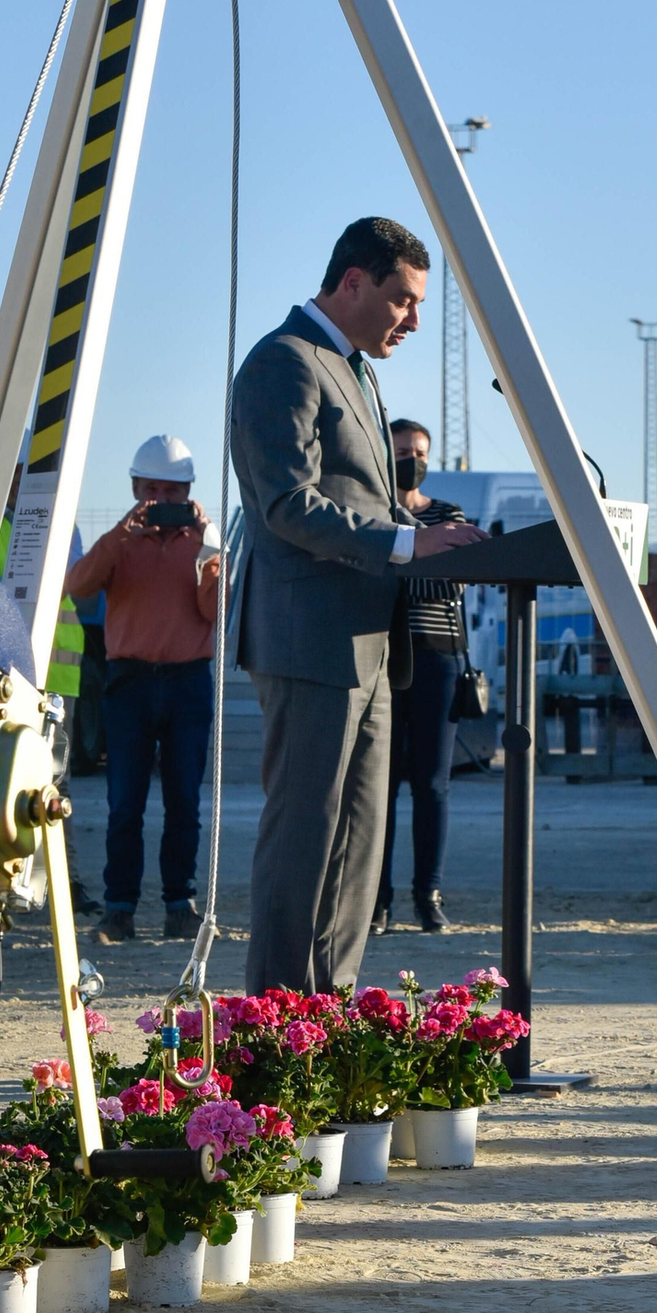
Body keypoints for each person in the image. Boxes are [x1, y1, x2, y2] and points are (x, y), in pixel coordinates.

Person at [230, 216, 486, 994]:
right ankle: (276, 1019)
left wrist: (429, 533)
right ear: (352, 282)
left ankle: (328, 1007)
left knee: (360, 839)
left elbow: (360, 502)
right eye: (402, 301)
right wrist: (408, 547)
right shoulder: (285, 363)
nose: (411, 321)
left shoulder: (355, 370)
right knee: (306, 835)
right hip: (310, 639)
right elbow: (288, 506)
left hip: (370, 642)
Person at [66, 435, 222, 943]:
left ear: (188, 491)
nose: (161, 500)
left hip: (188, 683)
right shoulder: (121, 541)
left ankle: (181, 904)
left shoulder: (207, 540)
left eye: (173, 491)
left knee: (184, 802)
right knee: (123, 802)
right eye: (152, 489)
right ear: (135, 487)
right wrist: (117, 536)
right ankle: (120, 909)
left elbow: (213, 611)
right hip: (129, 682)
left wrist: (206, 553)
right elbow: (78, 585)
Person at [373, 417, 474, 935]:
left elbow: (444, 582)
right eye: (401, 450)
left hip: (439, 660)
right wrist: (416, 554)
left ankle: (427, 896)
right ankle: (379, 899)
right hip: (386, 661)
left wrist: (407, 558)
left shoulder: (447, 515)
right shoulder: (372, 514)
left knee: (433, 786)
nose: (410, 459)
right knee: (381, 785)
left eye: (418, 451)